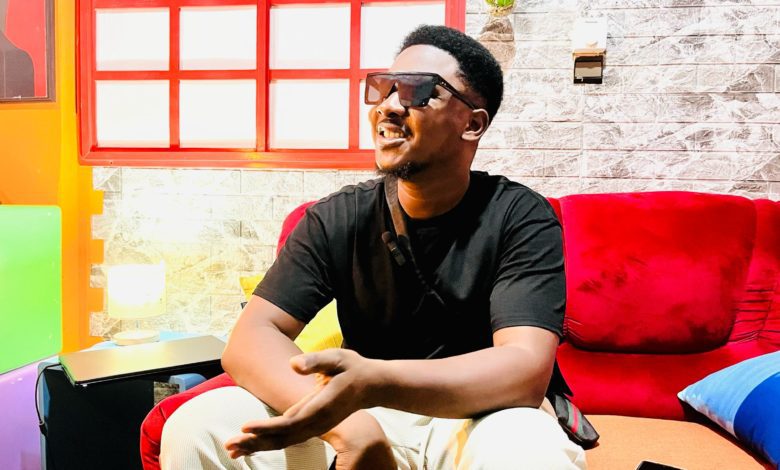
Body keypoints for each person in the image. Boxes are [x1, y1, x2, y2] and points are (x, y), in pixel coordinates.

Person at [160, 25, 586, 470]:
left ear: (472, 123)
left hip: (478, 416)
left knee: (531, 451)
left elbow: (524, 368)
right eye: (383, 88)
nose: (389, 106)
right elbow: (250, 338)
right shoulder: (338, 216)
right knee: (197, 427)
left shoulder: (520, 216)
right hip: (362, 411)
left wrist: (376, 380)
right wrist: (350, 424)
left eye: (418, 91)